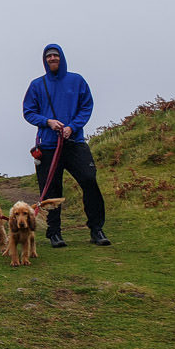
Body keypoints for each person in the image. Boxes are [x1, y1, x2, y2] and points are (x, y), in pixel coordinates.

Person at [22, 44, 110, 248]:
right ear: (45, 61)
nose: (52, 58)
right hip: (49, 145)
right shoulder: (37, 85)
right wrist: (48, 122)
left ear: (61, 58)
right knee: (51, 190)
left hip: (74, 142)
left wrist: (73, 126)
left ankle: (96, 229)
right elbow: (28, 111)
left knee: (89, 181)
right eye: (48, 56)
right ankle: (54, 233)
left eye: (55, 55)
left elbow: (86, 105)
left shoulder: (77, 80)